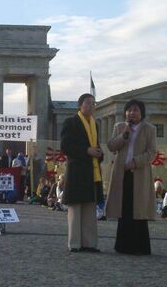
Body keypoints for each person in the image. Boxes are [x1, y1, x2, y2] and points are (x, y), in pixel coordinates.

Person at [106, 99, 156, 255]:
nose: (132, 113)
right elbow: (112, 146)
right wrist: (124, 135)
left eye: (135, 110)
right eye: (129, 110)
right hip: (122, 173)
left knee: (138, 209)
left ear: (141, 113)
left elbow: (151, 153)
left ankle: (139, 246)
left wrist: (135, 162)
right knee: (124, 208)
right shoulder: (119, 127)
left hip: (139, 173)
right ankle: (123, 245)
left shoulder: (150, 129)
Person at [61, 93, 103, 253]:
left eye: (94, 103)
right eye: (89, 103)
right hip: (77, 172)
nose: (92, 106)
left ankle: (90, 243)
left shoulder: (95, 123)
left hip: (92, 172)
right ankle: (75, 244)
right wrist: (87, 151)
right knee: (76, 209)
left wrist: (99, 153)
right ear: (80, 105)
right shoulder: (70, 122)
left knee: (90, 209)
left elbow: (96, 145)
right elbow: (65, 146)